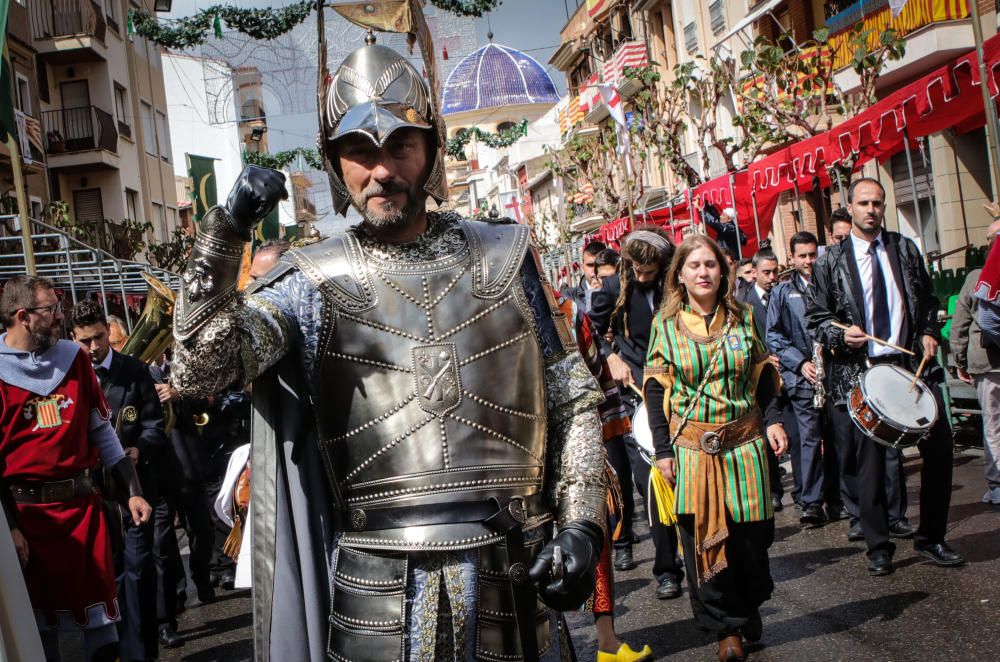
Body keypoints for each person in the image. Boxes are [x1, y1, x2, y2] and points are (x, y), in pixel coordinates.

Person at [170, 39, 607, 661]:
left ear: (429, 150)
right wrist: (224, 236)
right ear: (336, 162)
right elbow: (201, 368)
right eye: (360, 151)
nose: (381, 170)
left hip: (514, 568)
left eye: (400, 145)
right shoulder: (310, 282)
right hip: (377, 588)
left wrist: (582, 523)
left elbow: (570, 397)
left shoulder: (505, 254)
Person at [806, 177, 965, 576]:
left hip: (909, 366)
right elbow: (818, 319)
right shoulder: (831, 260)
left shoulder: (904, 249)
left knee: (940, 449)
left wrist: (929, 331)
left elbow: (928, 302)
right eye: (864, 203)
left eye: (878, 202)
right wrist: (843, 336)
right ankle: (879, 544)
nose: (871, 210)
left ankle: (932, 536)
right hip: (863, 371)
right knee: (870, 462)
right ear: (851, 207)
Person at [644, 235, 788, 662]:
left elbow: (763, 375)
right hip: (693, 450)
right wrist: (663, 450)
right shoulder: (665, 326)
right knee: (703, 542)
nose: (703, 272)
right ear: (681, 275)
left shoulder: (743, 317)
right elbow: (655, 391)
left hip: (745, 445)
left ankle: (749, 604)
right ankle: (726, 629)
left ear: (722, 271)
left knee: (752, 540)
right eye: (694, 266)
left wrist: (775, 420)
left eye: (710, 264)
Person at [0, 276, 151, 662]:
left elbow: (102, 432)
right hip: (27, 521)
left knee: (101, 624)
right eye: (50, 310)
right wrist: (11, 527)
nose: (60, 317)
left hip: (82, 511)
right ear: (23, 317)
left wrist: (132, 490)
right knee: (37, 630)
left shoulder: (74, 358)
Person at [71, 300, 170, 660]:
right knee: (108, 574)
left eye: (98, 338)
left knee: (137, 571)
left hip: (134, 489)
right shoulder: (72, 377)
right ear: (74, 338)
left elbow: (155, 426)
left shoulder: (135, 371)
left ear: (106, 333)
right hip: (95, 495)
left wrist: (139, 450)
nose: (94, 348)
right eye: (85, 342)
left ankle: (141, 649)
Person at [590, 228, 685, 600]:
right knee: (654, 483)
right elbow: (590, 332)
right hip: (638, 397)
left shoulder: (676, 285)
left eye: (651, 271)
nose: (643, 277)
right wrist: (611, 355)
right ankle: (666, 568)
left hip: (681, 392)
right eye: (638, 270)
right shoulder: (615, 288)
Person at [766, 232, 846, 525]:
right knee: (810, 440)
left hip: (835, 375)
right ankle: (812, 502)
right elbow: (773, 335)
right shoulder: (782, 293)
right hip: (803, 380)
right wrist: (799, 364)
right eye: (803, 256)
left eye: (813, 254)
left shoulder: (833, 284)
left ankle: (839, 499)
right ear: (793, 258)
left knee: (837, 438)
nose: (809, 260)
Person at [951, 222, 1000, 505]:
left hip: (985, 362)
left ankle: (996, 486)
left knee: (992, 425)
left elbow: (959, 324)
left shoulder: (975, 278)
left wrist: (959, 359)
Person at [736, 250, 784, 511]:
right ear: (753, 273)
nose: (772, 277)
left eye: (775, 271)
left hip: (784, 371)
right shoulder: (745, 304)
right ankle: (772, 491)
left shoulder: (784, 293)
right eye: (766, 272)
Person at [566, 241, 607, 314]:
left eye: (599, 264)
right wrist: (590, 299)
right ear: (582, 267)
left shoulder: (619, 291)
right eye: (590, 265)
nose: (594, 270)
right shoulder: (570, 296)